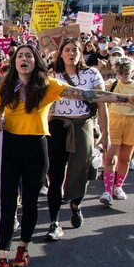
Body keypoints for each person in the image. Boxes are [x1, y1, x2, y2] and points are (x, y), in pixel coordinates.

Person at [0, 44, 134, 267]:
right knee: (7, 204)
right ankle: (2, 259)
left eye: (29, 55)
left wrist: (128, 98)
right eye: (20, 56)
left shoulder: (48, 85)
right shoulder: (6, 83)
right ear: (15, 61)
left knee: (29, 202)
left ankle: (22, 250)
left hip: (36, 147)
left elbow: (89, 95)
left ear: (36, 61)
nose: (24, 59)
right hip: (10, 147)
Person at [46, 38, 108, 240]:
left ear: (81, 53)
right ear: (60, 53)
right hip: (57, 126)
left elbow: (102, 103)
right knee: (54, 175)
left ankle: (76, 204)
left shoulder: (92, 73)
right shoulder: (52, 74)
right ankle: (54, 222)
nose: (71, 53)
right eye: (67, 50)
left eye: (75, 50)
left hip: (83, 126)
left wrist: (105, 135)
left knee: (82, 169)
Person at [100, 55, 134, 206]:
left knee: (125, 159)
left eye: (126, 73)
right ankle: (107, 191)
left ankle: (118, 187)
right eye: (120, 73)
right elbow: (98, 96)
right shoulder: (111, 84)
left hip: (133, 123)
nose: (122, 76)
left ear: (133, 71)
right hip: (114, 121)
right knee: (110, 158)